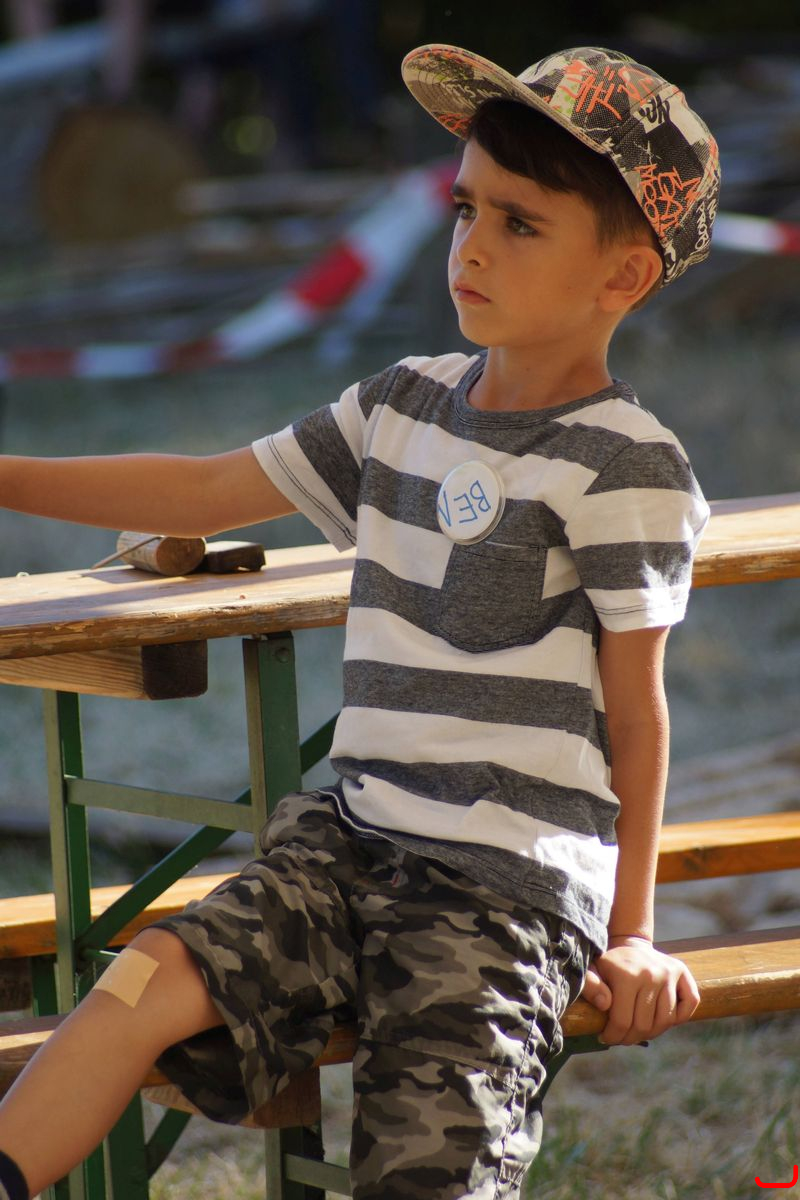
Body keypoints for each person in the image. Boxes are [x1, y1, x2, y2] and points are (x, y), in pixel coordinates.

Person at [0, 41, 719, 1200]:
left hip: (504, 894)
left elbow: (636, 718)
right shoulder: (399, 406)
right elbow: (201, 490)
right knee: (137, 982)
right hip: (345, 843)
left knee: (427, 1170)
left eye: (519, 224)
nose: (469, 246)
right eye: (464, 209)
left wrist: (631, 934)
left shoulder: (623, 463)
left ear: (622, 276)